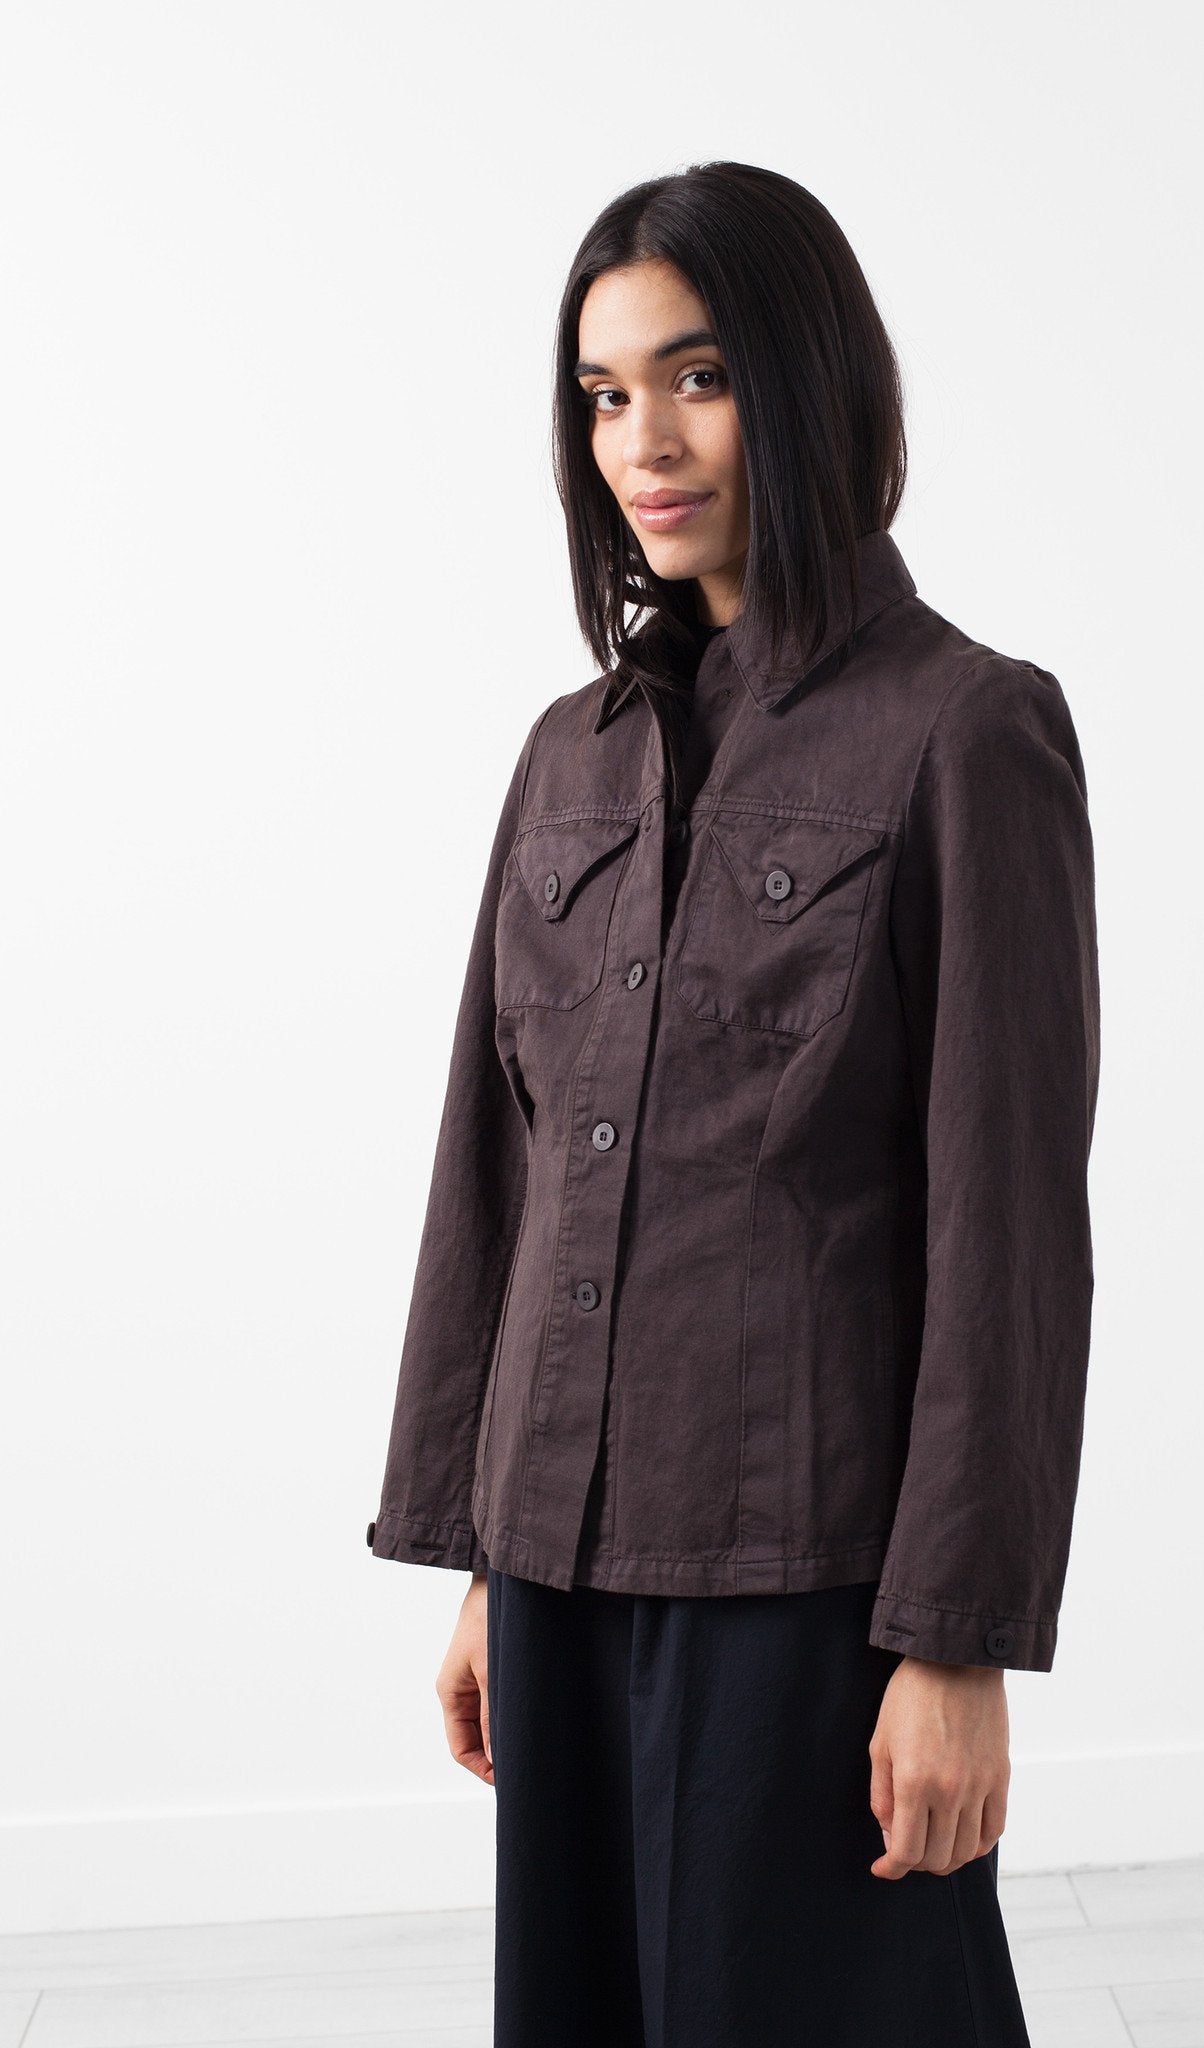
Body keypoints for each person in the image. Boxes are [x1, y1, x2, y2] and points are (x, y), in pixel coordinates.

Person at [368, 160, 1100, 2048]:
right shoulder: (568, 757)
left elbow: (1005, 1228)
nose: (645, 442)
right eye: (604, 394)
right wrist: (485, 1556)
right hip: (560, 1565)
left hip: (810, 1586)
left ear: (804, 380)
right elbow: (496, 1175)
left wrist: (954, 1642)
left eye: (693, 378)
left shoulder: (964, 728)